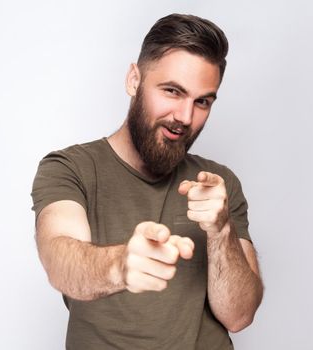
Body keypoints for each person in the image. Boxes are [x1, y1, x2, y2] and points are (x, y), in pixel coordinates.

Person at [31, 13, 263, 349]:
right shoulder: (71, 168)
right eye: (172, 91)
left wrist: (221, 230)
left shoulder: (219, 184)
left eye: (202, 102)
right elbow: (60, 261)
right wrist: (120, 265)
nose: (185, 117)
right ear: (134, 80)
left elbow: (239, 316)